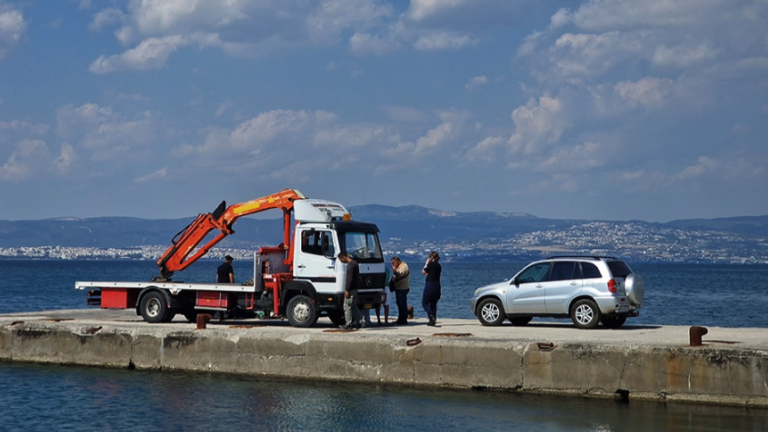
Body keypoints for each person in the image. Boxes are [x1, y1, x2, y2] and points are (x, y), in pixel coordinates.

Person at [337, 252, 362, 329]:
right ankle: (360, 321)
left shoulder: (350, 265)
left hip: (350, 288)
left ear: (344, 257)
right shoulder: (355, 263)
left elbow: (349, 279)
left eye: (341, 259)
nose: (341, 261)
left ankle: (348, 323)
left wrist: (347, 290)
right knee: (353, 305)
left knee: (347, 306)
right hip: (355, 288)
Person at [421, 251, 442, 327]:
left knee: (425, 303)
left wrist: (426, 263)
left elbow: (424, 271)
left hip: (430, 284)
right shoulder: (439, 266)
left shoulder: (430, 264)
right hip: (437, 285)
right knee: (433, 303)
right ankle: (433, 320)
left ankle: (431, 315)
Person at [390, 256, 410, 325]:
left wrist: (394, 270)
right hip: (398, 288)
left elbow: (399, 275)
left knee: (402, 304)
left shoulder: (404, 266)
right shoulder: (399, 267)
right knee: (399, 304)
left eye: (393, 263)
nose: (392, 265)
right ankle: (400, 318)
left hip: (403, 288)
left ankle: (404, 319)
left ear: (396, 261)